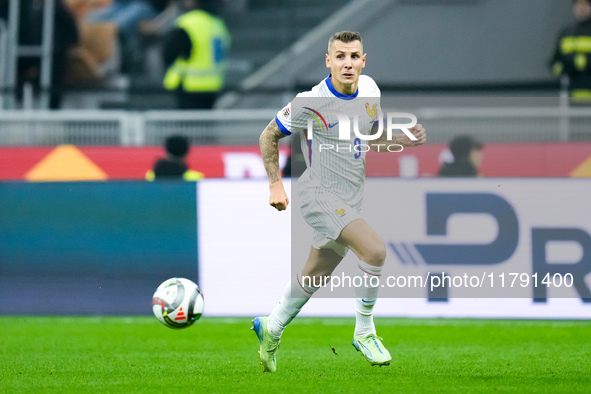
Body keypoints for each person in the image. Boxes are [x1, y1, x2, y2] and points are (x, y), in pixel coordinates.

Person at [252, 31, 426, 372]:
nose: (348, 63)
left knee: (315, 274)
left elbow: (370, 137)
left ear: (364, 60)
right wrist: (275, 185)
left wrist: (401, 139)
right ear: (328, 61)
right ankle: (364, 331)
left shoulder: (371, 90)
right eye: (341, 56)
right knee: (374, 250)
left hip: (350, 198)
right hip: (318, 195)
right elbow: (268, 134)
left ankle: (270, 328)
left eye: (354, 56)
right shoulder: (310, 102)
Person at [162, 0, 230, 109]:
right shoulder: (217, 24)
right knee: (204, 124)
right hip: (213, 86)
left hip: (190, 86)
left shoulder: (188, 22)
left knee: (187, 125)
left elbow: (169, 53)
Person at [85, 0, 169, 73]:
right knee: (89, 19)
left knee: (119, 25)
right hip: (123, 4)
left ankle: (128, 62)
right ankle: (91, 63)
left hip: (148, 6)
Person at [550, 0, 591, 102]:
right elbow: (554, 61)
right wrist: (560, 69)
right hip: (571, 99)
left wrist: (586, 62)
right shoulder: (566, 33)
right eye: (578, 5)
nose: (581, 8)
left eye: (585, 4)